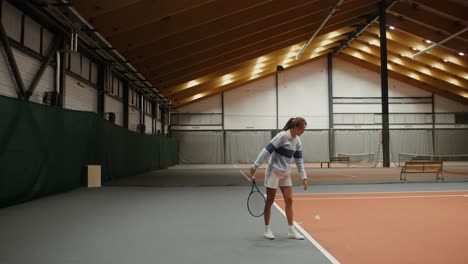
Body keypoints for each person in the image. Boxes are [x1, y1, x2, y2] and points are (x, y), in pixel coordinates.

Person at [250, 117, 308, 240]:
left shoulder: (298, 142)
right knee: (270, 201)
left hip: (285, 174)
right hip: (273, 172)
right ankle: (267, 230)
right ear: (296, 127)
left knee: (289, 200)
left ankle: (291, 231)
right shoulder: (282, 136)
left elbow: (299, 161)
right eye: (302, 129)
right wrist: (255, 165)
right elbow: (266, 150)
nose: (303, 131)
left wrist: (304, 176)